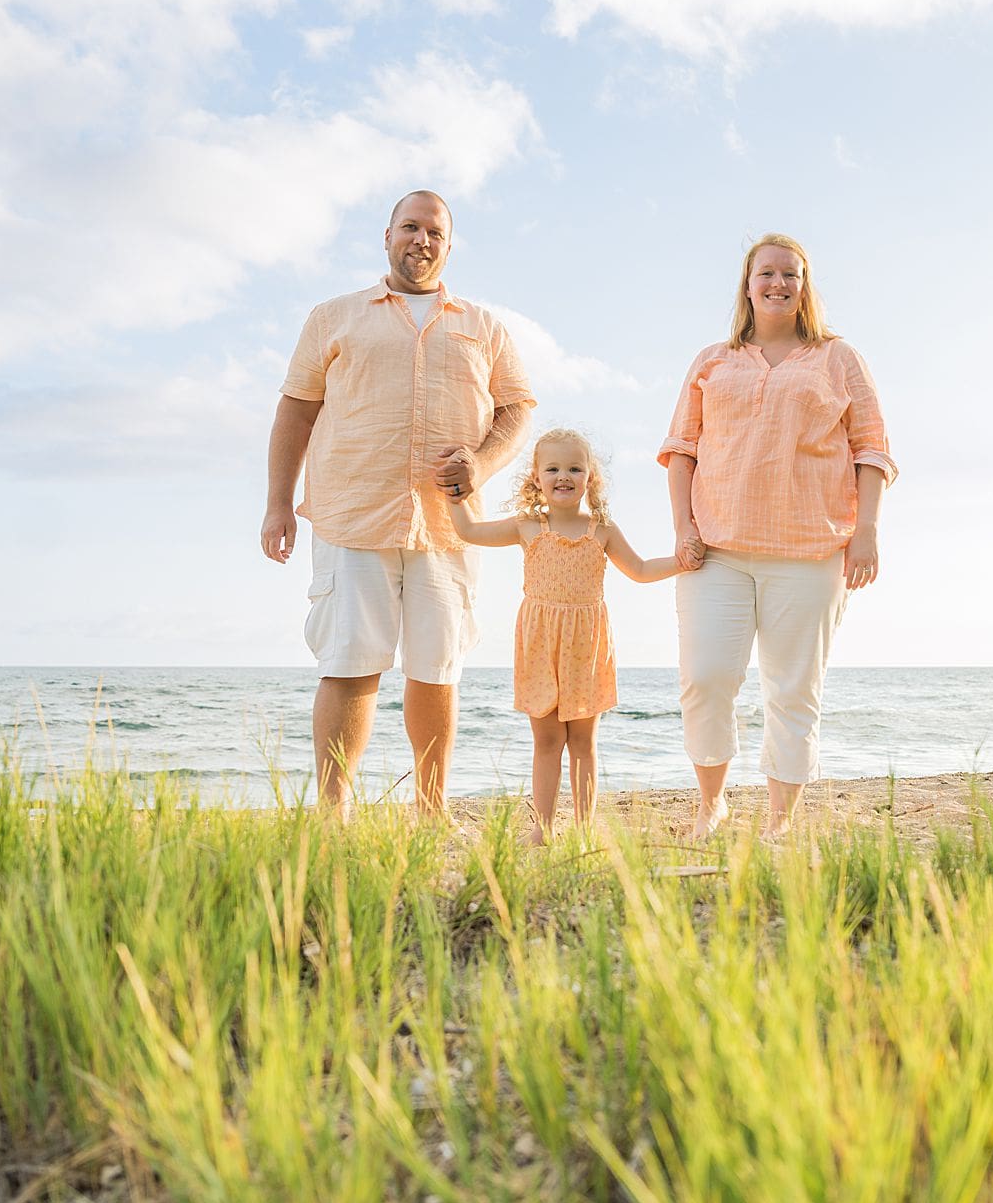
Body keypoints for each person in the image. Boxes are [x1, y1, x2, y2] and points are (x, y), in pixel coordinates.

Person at [261, 190, 535, 815]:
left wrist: (482, 462)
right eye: (410, 227)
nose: (422, 240)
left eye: (434, 231)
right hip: (352, 514)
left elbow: (517, 409)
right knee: (349, 664)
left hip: (448, 524)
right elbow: (296, 410)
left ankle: (431, 812)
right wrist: (278, 504)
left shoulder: (484, 326)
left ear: (449, 245)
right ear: (387, 236)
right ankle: (333, 816)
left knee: (437, 670)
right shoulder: (333, 317)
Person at [659, 233, 897, 840]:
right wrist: (684, 528)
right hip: (716, 551)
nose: (778, 283)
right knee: (706, 678)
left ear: (804, 286)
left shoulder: (838, 358)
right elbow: (681, 450)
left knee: (793, 689)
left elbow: (871, 448)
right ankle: (712, 804)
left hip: (811, 551)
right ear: (747, 284)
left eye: (790, 274)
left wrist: (866, 531)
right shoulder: (713, 359)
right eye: (766, 272)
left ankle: (779, 820)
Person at [449, 428, 687, 841]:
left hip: (585, 646)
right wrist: (454, 496)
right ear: (536, 477)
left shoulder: (602, 530)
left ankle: (583, 829)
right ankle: (541, 829)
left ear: (590, 477)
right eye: (553, 468)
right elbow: (470, 532)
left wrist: (681, 561)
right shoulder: (527, 526)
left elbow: (641, 570)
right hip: (540, 644)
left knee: (582, 741)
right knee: (546, 741)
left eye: (575, 468)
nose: (564, 476)